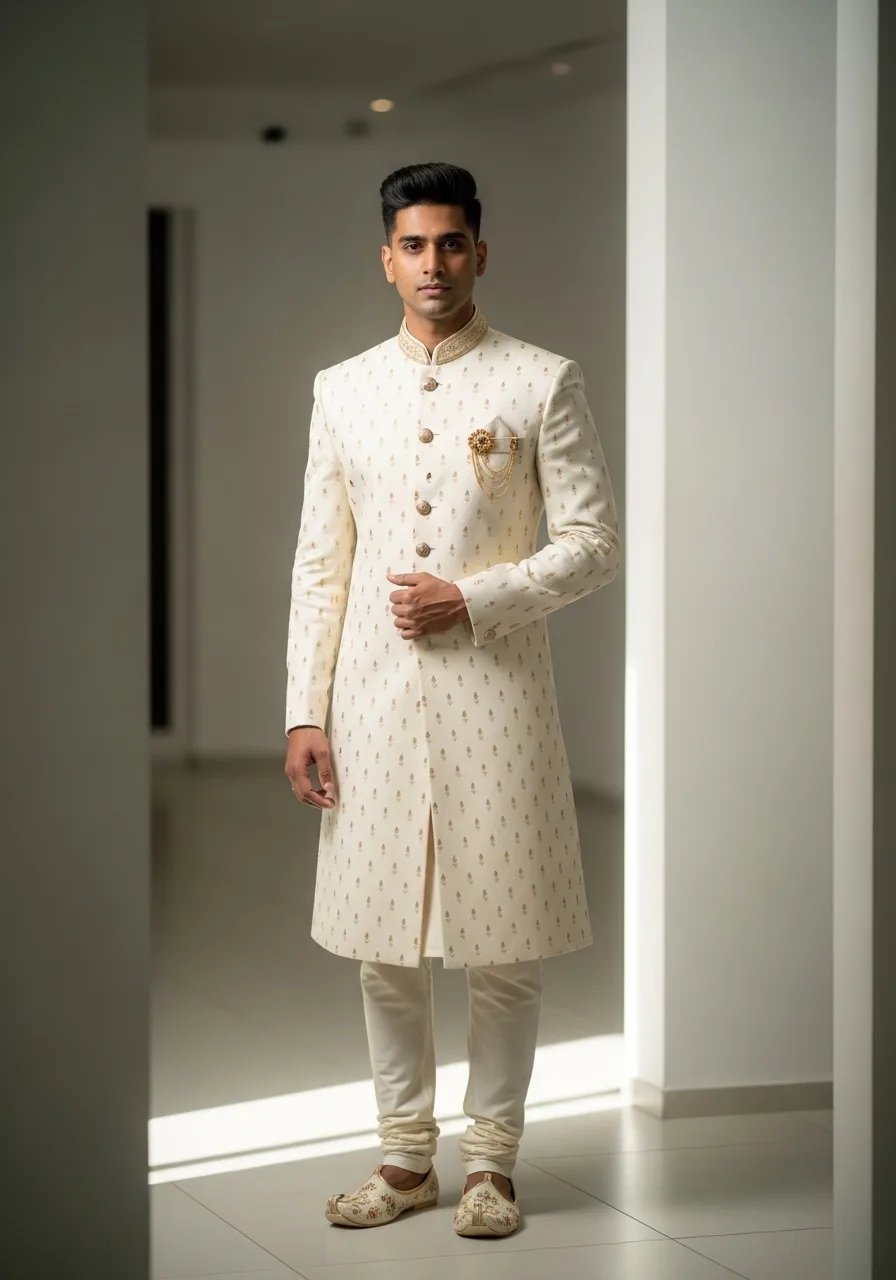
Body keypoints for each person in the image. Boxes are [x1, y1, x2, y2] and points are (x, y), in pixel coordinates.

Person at [284, 162, 620, 1238]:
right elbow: (318, 567)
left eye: (451, 243)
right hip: (371, 703)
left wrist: (472, 597)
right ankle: (402, 1158)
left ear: (481, 250)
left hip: (499, 697)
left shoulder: (539, 379)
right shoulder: (341, 388)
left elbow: (593, 543)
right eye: (413, 245)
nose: (433, 263)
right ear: (385, 258)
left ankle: (491, 1164)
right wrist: (304, 709)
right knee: (383, 947)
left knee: (501, 944)